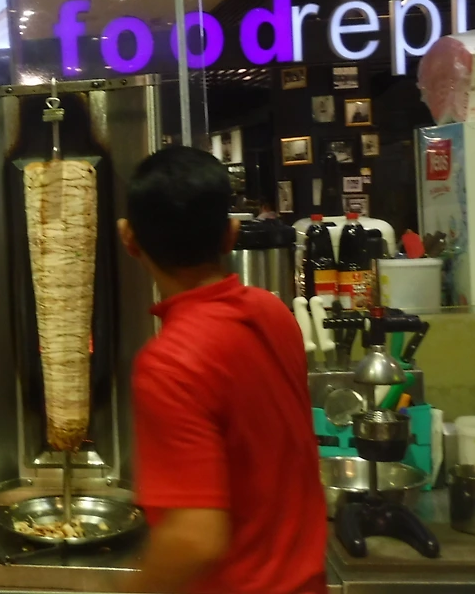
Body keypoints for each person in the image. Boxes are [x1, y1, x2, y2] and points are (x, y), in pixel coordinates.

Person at [115, 147, 326, 594]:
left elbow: (196, 538)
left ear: (129, 240)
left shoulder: (169, 363)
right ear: (231, 235)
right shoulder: (273, 313)